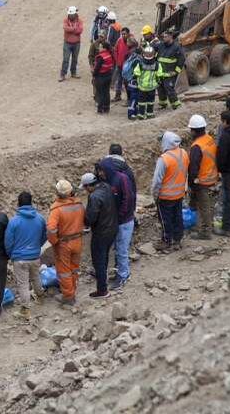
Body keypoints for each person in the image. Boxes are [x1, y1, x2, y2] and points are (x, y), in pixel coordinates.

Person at [4, 191, 47, 321]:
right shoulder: (40, 218)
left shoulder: (14, 221)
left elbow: (8, 241)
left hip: (20, 258)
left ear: (18, 203)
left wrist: (11, 254)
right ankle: (40, 297)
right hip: (34, 255)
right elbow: (44, 236)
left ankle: (25, 310)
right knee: (36, 277)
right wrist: (37, 247)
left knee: (23, 285)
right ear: (31, 202)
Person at [99, 149, 136, 290]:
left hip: (124, 221)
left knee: (122, 249)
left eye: (102, 170)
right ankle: (120, 272)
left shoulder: (121, 179)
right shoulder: (108, 180)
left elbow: (128, 199)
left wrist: (119, 215)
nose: (100, 173)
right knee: (118, 248)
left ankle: (124, 275)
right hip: (116, 221)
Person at [46, 180, 85, 305]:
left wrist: (54, 242)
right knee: (74, 268)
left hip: (64, 243)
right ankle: (73, 290)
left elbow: (51, 229)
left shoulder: (57, 209)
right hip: (77, 240)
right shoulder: (79, 205)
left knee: (64, 271)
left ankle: (68, 297)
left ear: (57, 193)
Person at [81, 172, 117, 299]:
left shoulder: (94, 197)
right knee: (104, 256)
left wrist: (84, 221)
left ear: (89, 186)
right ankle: (104, 278)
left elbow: (90, 218)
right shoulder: (106, 187)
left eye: (85, 188)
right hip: (112, 228)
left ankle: (102, 290)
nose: (85, 191)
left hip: (101, 232)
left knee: (98, 260)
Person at [150, 131, 187, 251]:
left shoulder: (164, 159)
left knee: (165, 219)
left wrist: (155, 195)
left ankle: (166, 241)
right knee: (178, 217)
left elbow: (157, 180)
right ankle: (177, 240)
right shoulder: (184, 153)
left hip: (165, 196)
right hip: (179, 193)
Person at [186, 115, 218, 240]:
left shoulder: (196, 147)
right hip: (212, 175)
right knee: (197, 203)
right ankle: (195, 223)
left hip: (202, 180)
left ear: (193, 131)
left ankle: (205, 231)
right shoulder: (209, 139)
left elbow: (193, 168)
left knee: (204, 205)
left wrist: (191, 183)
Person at [156, 30, 183, 110]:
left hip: (170, 73)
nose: (163, 38)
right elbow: (152, 47)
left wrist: (175, 72)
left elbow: (181, 60)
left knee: (169, 88)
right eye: (163, 37)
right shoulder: (161, 45)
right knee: (160, 88)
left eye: (165, 37)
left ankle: (176, 105)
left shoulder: (176, 47)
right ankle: (163, 104)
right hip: (160, 73)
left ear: (171, 37)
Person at [132, 45, 159, 119]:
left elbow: (136, 73)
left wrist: (135, 78)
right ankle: (150, 114)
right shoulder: (156, 64)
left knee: (141, 102)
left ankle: (141, 115)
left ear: (143, 55)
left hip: (142, 87)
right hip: (152, 87)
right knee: (151, 101)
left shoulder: (140, 64)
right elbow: (160, 74)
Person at [60, 6, 83, 81]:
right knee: (66, 59)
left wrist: (71, 30)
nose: (70, 16)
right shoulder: (66, 20)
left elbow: (80, 30)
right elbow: (66, 28)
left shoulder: (79, 21)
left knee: (75, 59)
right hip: (67, 43)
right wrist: (74, 29)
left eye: (71, 14)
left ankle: (73, 72)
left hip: (76, 43)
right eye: (70, 15)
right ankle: (63, 74)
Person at [92, 40, 115, 114]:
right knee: (106, 92)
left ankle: (100, 109)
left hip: (101, 77)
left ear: (104, 48)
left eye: (101, 46)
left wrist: (94, 74)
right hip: (108, 75)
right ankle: (106, 108)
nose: (99, 48)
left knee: (100, 93)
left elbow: (97, 68)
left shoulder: (101, 57)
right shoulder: (109, 54)